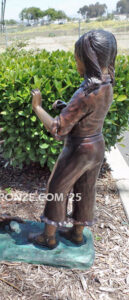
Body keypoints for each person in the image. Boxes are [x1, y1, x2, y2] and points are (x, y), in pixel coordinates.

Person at [30, 30, 117, 249]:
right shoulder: (106, 84)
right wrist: (65, 108)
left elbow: (57, 129)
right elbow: (88, 112)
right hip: (96, 147)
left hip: (79, 148)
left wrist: (38, 107)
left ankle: (49, 236)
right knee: (85, 189)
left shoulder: (86, 91)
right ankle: (77, 233)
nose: (76, 62)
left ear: (89, 59)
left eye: (77, 58)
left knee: (57, 187)